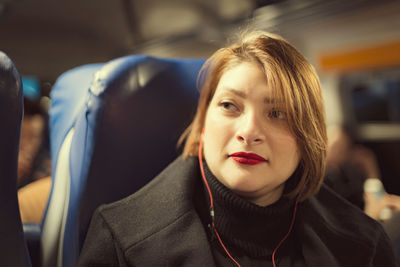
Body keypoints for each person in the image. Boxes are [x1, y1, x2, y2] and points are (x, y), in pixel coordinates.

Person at [78, 31, 399, 266]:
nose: (248, 132)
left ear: (308, 138)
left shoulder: (363, 246)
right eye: (230, 105)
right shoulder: (121, 241)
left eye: (277, 113)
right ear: (204, 121)